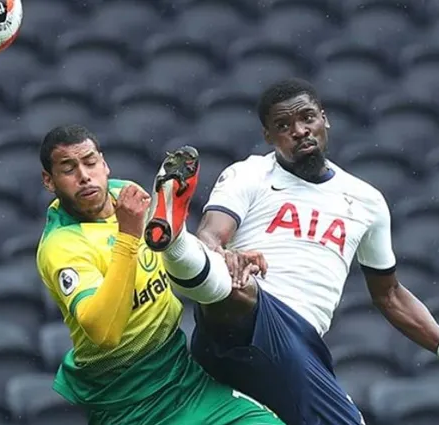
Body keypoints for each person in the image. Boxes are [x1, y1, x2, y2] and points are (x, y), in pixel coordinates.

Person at [143, 78, 439, 425]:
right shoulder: (251, 174)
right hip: (242, 314)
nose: (299, 131)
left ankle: (174, 240)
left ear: (325, 119)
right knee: (237, 286)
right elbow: (212, 234)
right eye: (283, 126)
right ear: (268, 136)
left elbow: (389, 295)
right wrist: (223, 252)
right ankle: (171, 234)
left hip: (295, 344)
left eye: (307, 118)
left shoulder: (366, 200)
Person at [35, 124, 285, 425]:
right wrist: (128, 235)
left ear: (104, 164)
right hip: (128, 403)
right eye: (68, 169)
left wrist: (224, 258)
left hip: (183, 378)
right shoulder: (61, 247)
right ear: (49, 181)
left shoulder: (124, 195)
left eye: (90, 162)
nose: (84, 176)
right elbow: (105, 332)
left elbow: (170, 251)